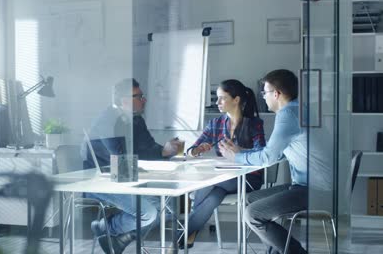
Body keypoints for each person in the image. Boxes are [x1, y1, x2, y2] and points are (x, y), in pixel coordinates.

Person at [219, 69, 332, 254]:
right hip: (309, 186)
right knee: (249, 200)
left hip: (316, 190)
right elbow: (277, 153)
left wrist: (237, 157)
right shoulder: (299, 109)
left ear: (276, 94)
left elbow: (268, 157)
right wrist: (243, 152)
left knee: (253, 214)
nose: (263, 97)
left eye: (265, 92)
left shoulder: (288, 114)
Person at [84, 78, 183, 254]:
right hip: (100, 181)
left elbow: (147, 149)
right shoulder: (109, 121)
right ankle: (105, 227)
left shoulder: (136, 120)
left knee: (166, 208)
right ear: (124, 100)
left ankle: (123, 238)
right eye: (139, 96)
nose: (144, 100)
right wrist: (152, 172)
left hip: (124, 178)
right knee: (150, 213)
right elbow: (120, 162)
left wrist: (164, 151)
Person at [177, 79, 266, 249]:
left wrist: (240, 152)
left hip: (248, 179)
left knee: (211, 181)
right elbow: (191, 150)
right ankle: (186, 233)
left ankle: (181, 235)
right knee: (214, 196)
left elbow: (261, 154)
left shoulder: (254, 124)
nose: (217, 102)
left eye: (221, 98)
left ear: (236, 100)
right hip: (222, 180)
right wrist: (196, 151)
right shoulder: (216, 124)